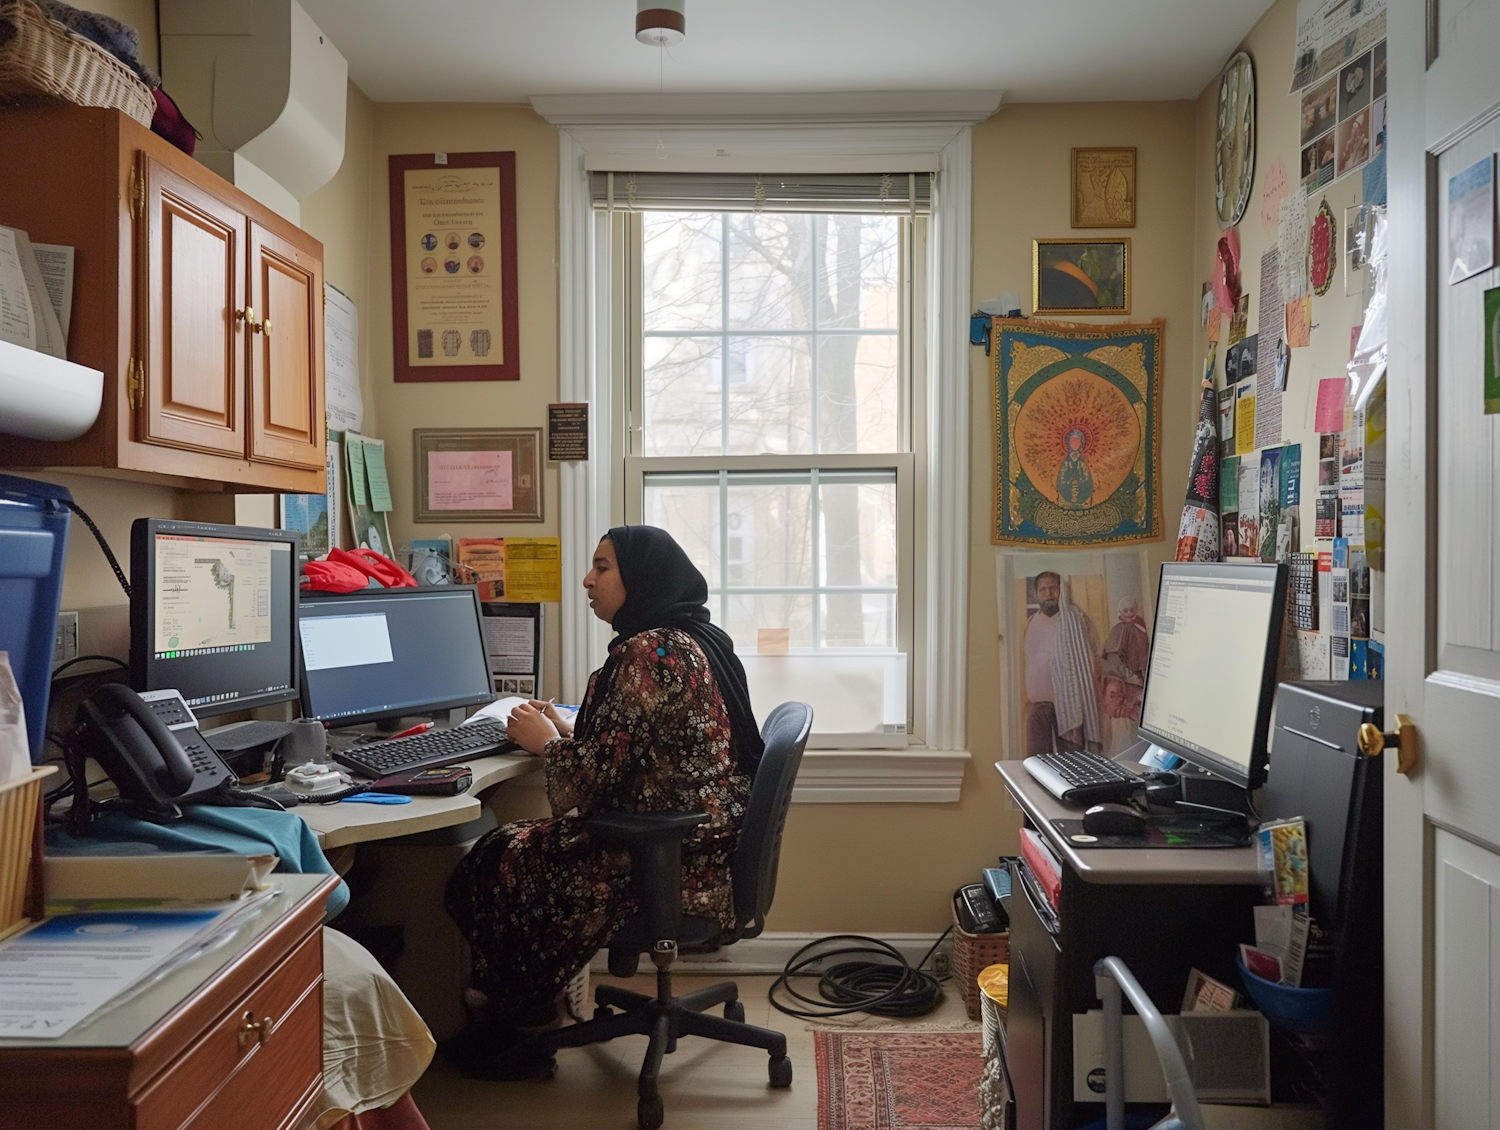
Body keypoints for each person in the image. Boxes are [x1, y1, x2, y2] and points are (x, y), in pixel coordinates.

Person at [443, 526, 762, 1079]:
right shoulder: (691, 637)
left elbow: (594, 785)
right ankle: (531, 1006)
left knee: (497, 859)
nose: (588, 581)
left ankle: (519, 1027)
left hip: (665, 855)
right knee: (507, 846)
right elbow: (646, 745)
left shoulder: (644, 652)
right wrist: (572, 728)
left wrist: (545, 743)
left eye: (603, 568)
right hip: (703, 844)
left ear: (640, 578)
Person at [1023, 572, 1103, 756]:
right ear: (1037, 594)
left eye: (1053, 588)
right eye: (1043, 589)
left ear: (1062, 591)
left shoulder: (1077, 620)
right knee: (1037, 763)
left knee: (1071, 763)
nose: (1048, 593)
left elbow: (1093, 658)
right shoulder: (1031, 623)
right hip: (1038, 706)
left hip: (1069, 705)